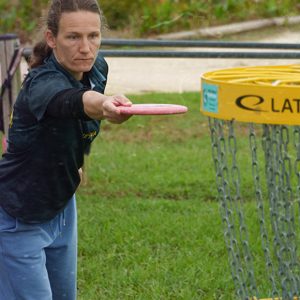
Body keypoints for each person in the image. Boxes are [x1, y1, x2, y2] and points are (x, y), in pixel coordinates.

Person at [0, 0, 132, 299]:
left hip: (62, 207)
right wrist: (104, 104)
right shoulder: (41, 83)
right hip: (18, 214)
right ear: (51, 38)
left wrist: (74, 160)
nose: (85, 48)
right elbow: (71, 101)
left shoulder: (97, 67)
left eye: (93, 36)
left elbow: (79, 120)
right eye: (73, 37)